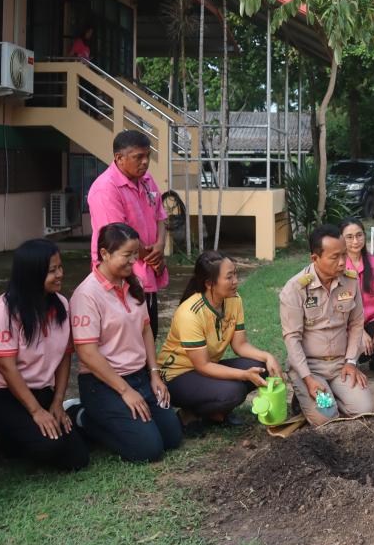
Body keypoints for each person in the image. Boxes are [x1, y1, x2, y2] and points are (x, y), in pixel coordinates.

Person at [0, 239, 88, 471]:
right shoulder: (2, 312)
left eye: (60, 267)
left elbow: (65, 356)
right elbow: (6, 368)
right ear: (31, 274)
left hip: (41, 391)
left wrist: (57, 402)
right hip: (0, 394)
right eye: (52, 270)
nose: (60, 275)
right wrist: (36, 412)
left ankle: (17, 434)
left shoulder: (61, 305)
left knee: (77, 458)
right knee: (47, 447)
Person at [70, 222, 181, 462]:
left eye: (135, 254)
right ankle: (82, 416)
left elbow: (145, 330)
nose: (134, 261)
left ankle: (122, 418)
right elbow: (87, 353)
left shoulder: (133, 283)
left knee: (173, 437)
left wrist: (154, 374)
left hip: (140, 376)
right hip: (104, 384)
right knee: (148, 450)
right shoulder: (86, 295)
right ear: (104, 254)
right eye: (127, 255)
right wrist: (125, 391)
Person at [158, 251, 282, 425]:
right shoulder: (190, 313)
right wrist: (244, 375)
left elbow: (241, 345)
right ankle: (192, 413)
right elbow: (202, 366)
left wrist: (268, 356)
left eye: (235, 274)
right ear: (209, 283)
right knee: (234, 391)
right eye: (229, 277)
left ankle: (214, 411)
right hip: (177, 376)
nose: (235, 281)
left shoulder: (233, 300)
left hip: (207, 367)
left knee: (262, 367)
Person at [279, 224, 374, 425]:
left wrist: (351, 362)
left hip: (341, 365)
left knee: (364, 410)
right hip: (310, 367)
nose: (342, 263)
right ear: (315, 258)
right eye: (334, 257)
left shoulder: (350, 281)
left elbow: (356, 324)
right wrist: (307, 378)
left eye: (343, 255)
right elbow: (292, 338)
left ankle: (325, 396)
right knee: (325, 419)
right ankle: (306, 392)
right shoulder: (295, 289)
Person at [87, 129, 168, 339]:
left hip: (147, 271)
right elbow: (118, 238)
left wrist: (160, 246)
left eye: (148, 156)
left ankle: (148, 372)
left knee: (148, 333)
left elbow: (161, 215)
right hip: (120, 277)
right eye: (138, 157)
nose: (145, 162)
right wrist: (152, 258)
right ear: (119, 158)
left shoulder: (147, 180)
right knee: (124, 340)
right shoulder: (105, 189)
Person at [339, 217, 374, 375]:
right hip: (347, 321)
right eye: (349, 237)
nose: (355, 241)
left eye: (359, 235)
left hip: (373, 319)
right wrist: (359, 332)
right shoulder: (338, 266)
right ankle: (351, 361)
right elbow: (339, 308)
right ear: (341, 239)